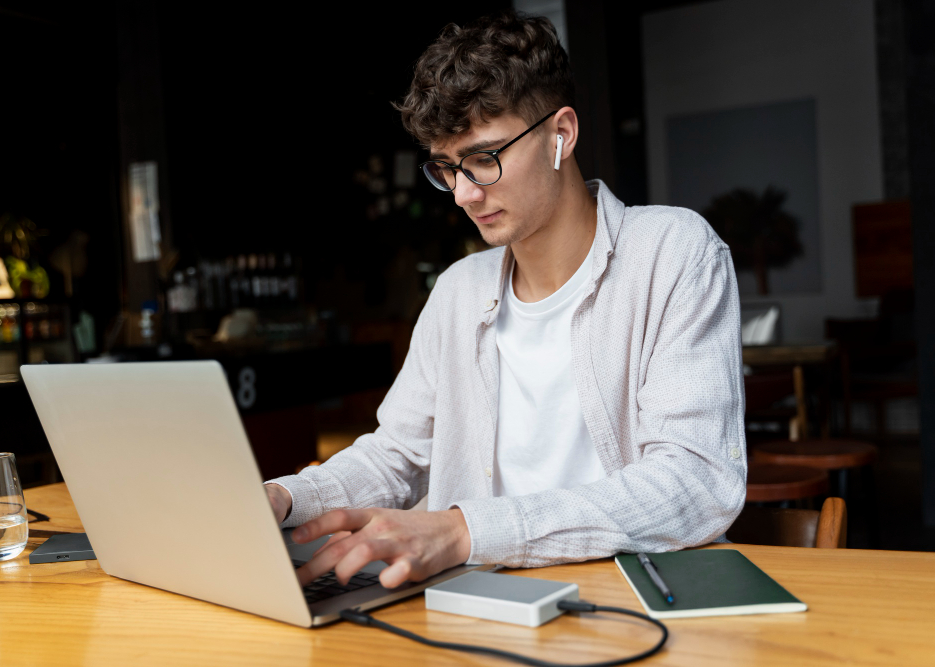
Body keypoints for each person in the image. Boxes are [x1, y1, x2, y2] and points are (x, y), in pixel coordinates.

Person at [265, 11, 746, 590]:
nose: (465, 194)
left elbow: (695, 483)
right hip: (481, 604)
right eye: (447, 168)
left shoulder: (673, 252)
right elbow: (397, 455)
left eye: (484, 158)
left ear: (560, 134)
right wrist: (284, 497)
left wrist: (466, 531)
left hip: (640, 597)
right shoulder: (458, 290)